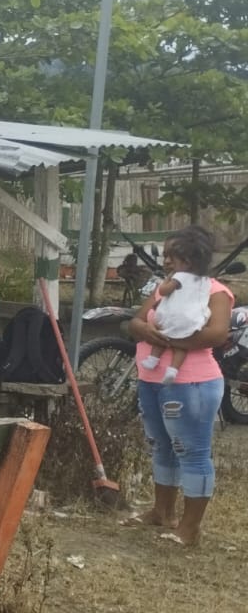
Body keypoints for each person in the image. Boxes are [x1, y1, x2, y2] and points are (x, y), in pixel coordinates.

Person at [123, 226, 233, 547]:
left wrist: (171, 339)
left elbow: (217, 334)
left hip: (192, 384)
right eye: (167, 254)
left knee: (192, 451)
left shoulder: (215, 291)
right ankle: (162, 512)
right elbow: (135, 321)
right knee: (162, 446)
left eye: (173, 255)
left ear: (192, 257)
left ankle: (190, 527)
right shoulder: (165, 287)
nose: (166, 260)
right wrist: (144, 329)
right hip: (152, 380)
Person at [139, 265, 215, 385]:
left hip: (176, 314)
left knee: (161, 334)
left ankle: (153, 359)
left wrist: (168, 279)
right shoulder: (205, 280)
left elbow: (163, 291)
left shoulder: (180, 275)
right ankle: (173, 370)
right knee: (182, 344)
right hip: (193, 316)